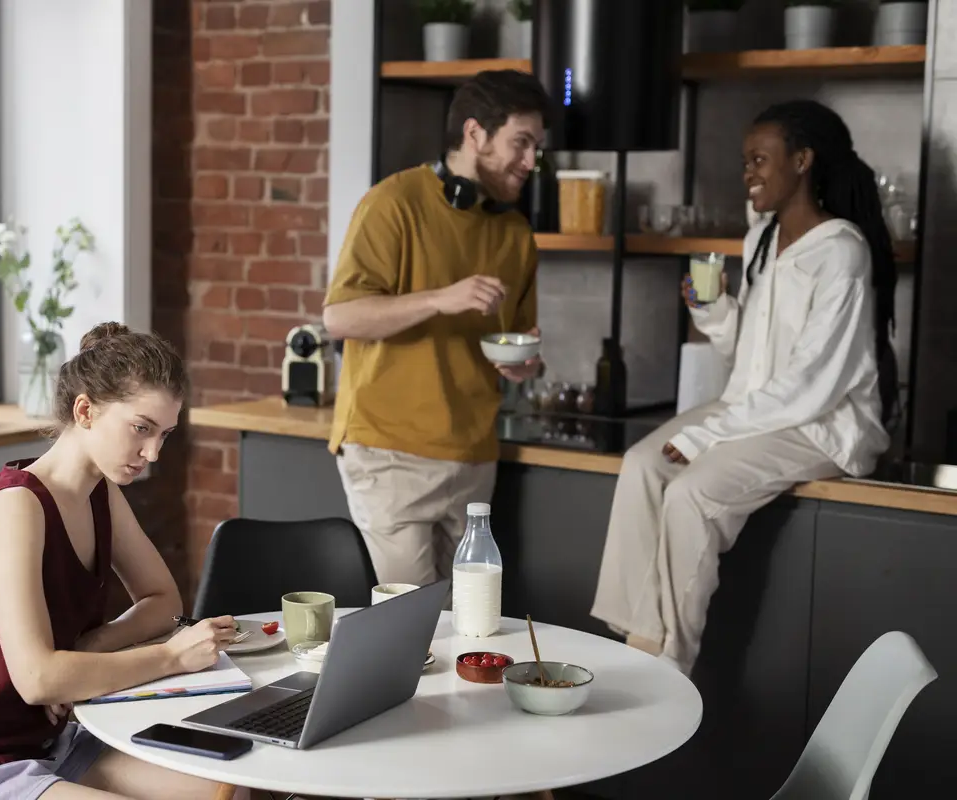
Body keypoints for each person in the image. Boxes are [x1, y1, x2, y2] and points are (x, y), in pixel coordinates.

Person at [0, 323, 255, 800]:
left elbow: (163, 600)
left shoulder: (101, 493)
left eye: (165, 434)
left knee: (231, 791)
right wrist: (171, 657)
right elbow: (38, 680)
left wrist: (91, 647)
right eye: (141, 428)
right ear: (85, 411)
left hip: (44, 743)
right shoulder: (17, 507)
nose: (153, 453)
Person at [590, 99, 897, 676]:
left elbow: (811, 383)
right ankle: (637, 645)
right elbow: (748, 356)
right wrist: (713, 310)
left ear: (802, 161)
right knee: (641, 465)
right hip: (753, 407)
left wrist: (708, 436)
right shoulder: (761, 238)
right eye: (745, 161)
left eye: (760, 159)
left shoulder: (842, 252)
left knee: (691, 495)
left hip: (819, 424)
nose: (748, 173)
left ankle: (668, 670)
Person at [322, 69, 549, 586]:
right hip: (390, 455)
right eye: (521, 142)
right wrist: (441, 299)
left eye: (537, 147)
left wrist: (526, 366)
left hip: (474, 460)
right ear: (475, 133)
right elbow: (340, 316)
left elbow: (516, 338)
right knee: (410, 622)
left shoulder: (515, 233)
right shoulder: (393, 203)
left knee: (470, 621)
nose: (531, 161)